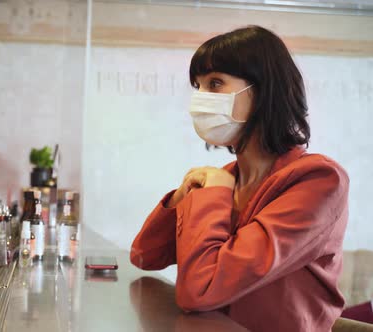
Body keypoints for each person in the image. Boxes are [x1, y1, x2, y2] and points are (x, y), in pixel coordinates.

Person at [130, 26, 349, 332]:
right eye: (198, 87)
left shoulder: (319, 180)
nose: (200, 99)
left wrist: (211, 197)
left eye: (215, 83)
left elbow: (199, 290)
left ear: (263, 91)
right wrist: (179, 199)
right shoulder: (226, 179)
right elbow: (144, 255)